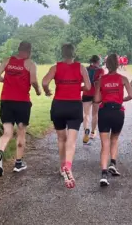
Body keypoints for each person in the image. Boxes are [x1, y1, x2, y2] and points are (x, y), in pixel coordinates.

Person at [42, 43, 91, 189]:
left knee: (61, 138)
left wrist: (47, 90)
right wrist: (77, 86)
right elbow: (88, 87)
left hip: (59, 106)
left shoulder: (55, 67)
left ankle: (62, 166)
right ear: (73, 53)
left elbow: (44, 82)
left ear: (62, 53)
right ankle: (68, 167)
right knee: (72, 140)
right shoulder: (81, 67)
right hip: (74, 106)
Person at [0, 41, 41, 177]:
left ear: (18, 49)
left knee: (7, 132)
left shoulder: (7, 61)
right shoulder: (30, 64)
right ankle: (18, 163)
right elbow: (33, 81)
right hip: (22, 102)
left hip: (6, 100)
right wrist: (38, 90)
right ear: (29, 51)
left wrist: (6, 81)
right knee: (21, 132)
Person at [94, 54, 132, 187]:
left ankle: (104, 174)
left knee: (104, 144)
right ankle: (113, 163)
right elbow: (131, 95)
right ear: (118, 65)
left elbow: (96, 100)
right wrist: (120, 99)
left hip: (104, 111)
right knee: (114, 139)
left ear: (107, 65)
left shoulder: (101, 79)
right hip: (117, 112)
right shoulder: (123, 79)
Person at [82, 55, 104, 144]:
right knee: (95, 114)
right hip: (96, 94)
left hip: (86, 93)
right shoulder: (100, 70)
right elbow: (101, 82)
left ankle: (85, 131)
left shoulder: (86, 69)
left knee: (86, 114)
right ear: (98, 61)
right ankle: (92, 132)